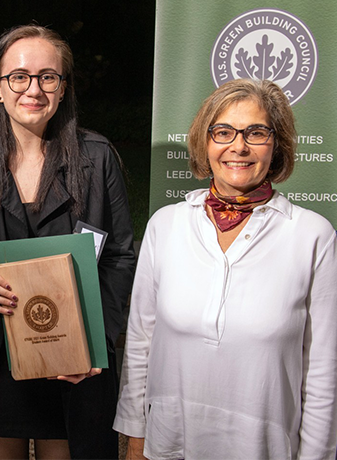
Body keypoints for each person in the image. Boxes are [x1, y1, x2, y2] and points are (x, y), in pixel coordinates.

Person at [0, 24, 136, 460]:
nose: (34, 89)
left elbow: (119, 255)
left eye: (49, 77)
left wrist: (97, 342)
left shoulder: (96, 159)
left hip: (72, 363)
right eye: (19, 77)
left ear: (63, 90)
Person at [114, 78, 337, 459]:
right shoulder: (165, 225)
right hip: (170, 443)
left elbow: (322, 371)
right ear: (205, 142)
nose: (239, 146)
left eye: (256, 132)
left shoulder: (313, 236)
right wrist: (136, 437)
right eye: (223, 132)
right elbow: (140, 342)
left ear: (277, 144)